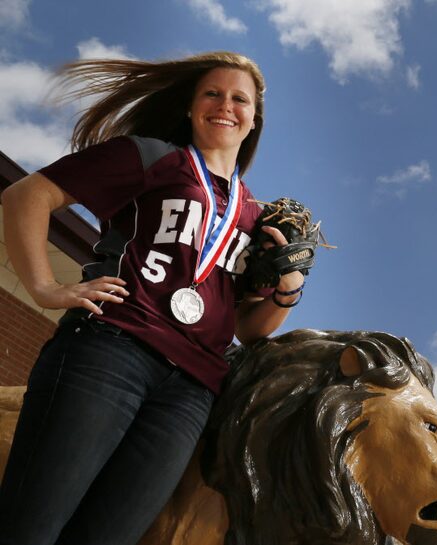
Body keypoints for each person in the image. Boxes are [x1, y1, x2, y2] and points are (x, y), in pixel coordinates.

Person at [0, 51, 303, 545]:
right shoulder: (151, 157)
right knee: (28, 529)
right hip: (112, 350)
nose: (225, 105)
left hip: (190, 393)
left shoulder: (256, 217)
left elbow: (251, 328)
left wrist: (288, 286)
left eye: (239, 99)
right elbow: (26, 196)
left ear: (254, 119)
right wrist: (45, 287)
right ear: (190, 106)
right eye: (213, 93)